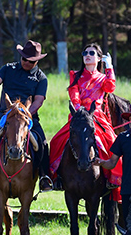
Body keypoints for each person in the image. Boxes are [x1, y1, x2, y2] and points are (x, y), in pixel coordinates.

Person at [0, 40, 54, 193]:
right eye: (24, 59)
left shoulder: (41, 78)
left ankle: (44, 176)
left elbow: (39, 100)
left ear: (37, 61)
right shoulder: (8, 68)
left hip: (28, 115)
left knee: (42, 141)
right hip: (5, 113)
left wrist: (26, 114)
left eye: (30, 60)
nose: (26, 62)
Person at [48, 43, 121, 192]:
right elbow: (74, 93)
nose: (87, 55)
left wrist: (110, 67)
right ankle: (55, 178)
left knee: (112, 142)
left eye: (92, 53)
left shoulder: (103, 78)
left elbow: (110, 88)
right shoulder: (75, 75)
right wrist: (78, 109)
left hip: (97, 116)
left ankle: (112, 178)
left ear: (99, 58)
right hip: (79, 116)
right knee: (56, 140)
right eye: (85, 52)